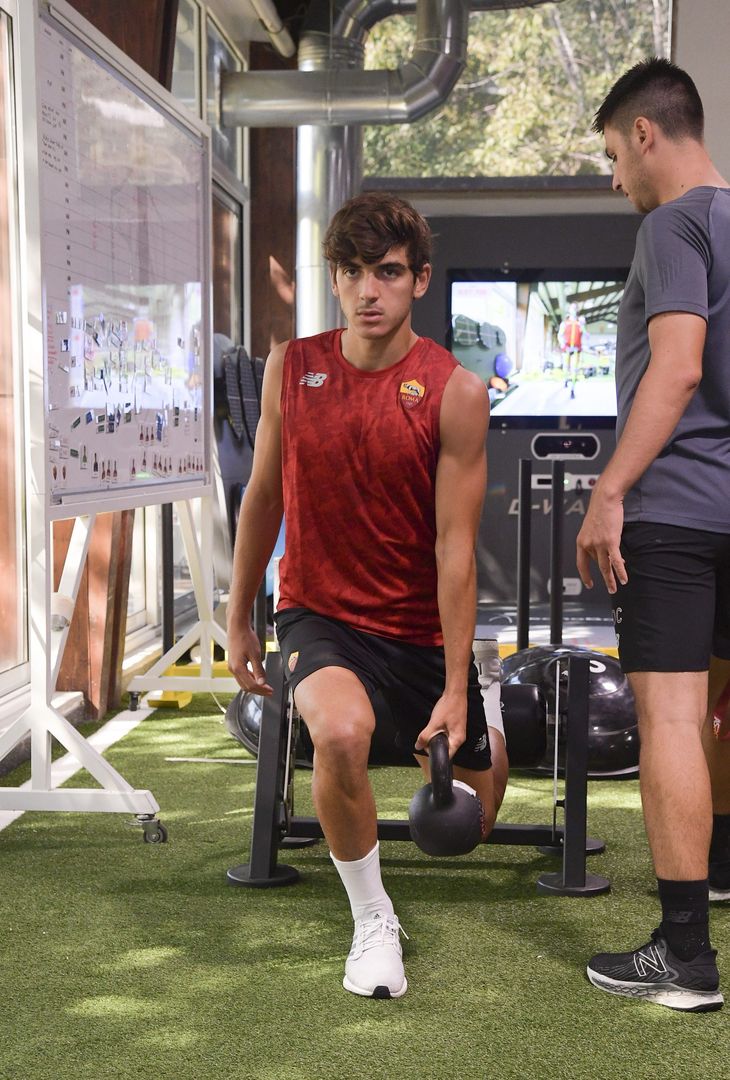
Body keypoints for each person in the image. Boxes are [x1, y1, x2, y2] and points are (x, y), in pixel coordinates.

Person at [227, 192, 509, 1000]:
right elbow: (264, 497)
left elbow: (456, 548)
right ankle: (373, 919)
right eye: (350, 272)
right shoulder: (294, 366)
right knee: (343, 734)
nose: (366, 292)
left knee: (470, 826)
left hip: (418, 626)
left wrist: (459, 686)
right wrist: (240, 610)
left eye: (386, 273)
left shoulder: (454, 392)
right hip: (320, 612)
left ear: (419, 279)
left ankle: (487, 718)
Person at [576, 56, 730, 1013]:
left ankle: (684, 955)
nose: (617, 180)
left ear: (644, 132)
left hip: (673, 507)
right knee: (718, 706)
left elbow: (674, 368)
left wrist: (609, 491)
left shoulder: (673, 223)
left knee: (673, 715)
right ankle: (716, 871)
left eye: (612, 156)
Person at [557, 302, 586, 397]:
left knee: (574, 369)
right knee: (566, 368)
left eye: (575, 308)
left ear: (577, 310)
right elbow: (560, 335)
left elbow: (585, 335)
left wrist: (583, 326)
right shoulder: (564, 323)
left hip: (576, 350)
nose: (573, 310)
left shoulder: (580, 323)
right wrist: (563, 345)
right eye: (572, 308)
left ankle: (572, 389)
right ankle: (566, 379)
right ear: (569, 310)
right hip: (567, 349)